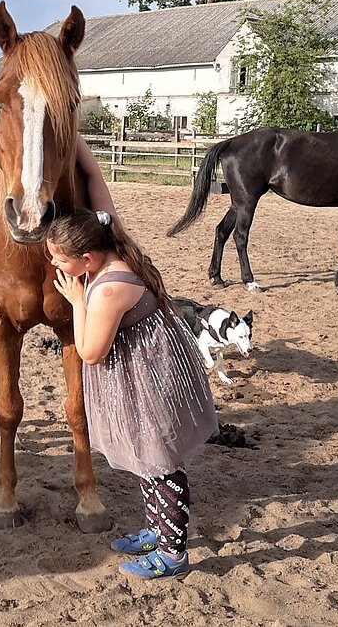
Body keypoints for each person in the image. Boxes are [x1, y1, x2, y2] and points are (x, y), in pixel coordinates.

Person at [48, 207, 218, 580]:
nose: (53, 264)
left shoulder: (109, 287)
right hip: (142, 374)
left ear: (87, 258)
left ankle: (173, 553)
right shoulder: (110, 262)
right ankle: (158, 532)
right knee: (146, 457)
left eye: (59, 258)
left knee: (161, 462)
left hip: (147, 381)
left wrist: (77, 301)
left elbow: (91, 352)